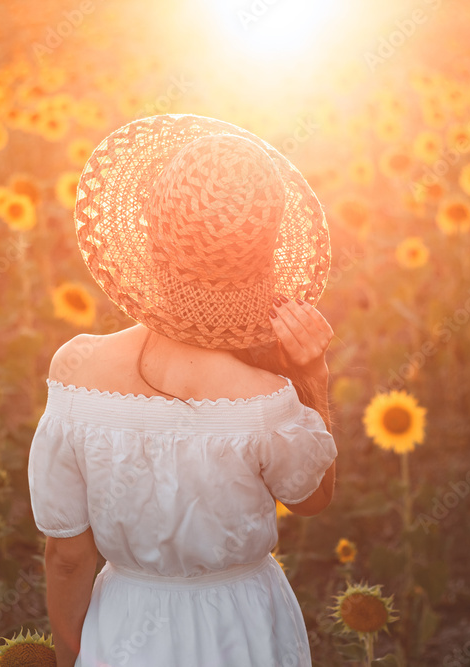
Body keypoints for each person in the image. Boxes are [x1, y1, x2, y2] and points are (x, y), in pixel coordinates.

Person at [28, 114, 338, 666]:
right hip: (244, 628)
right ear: (261, 259)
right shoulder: (266, 400)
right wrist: (312, 377)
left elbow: (67, 557)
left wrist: (74, 654)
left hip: (126, 625)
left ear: (150, 238)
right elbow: (312, 500)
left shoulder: (76, 373)